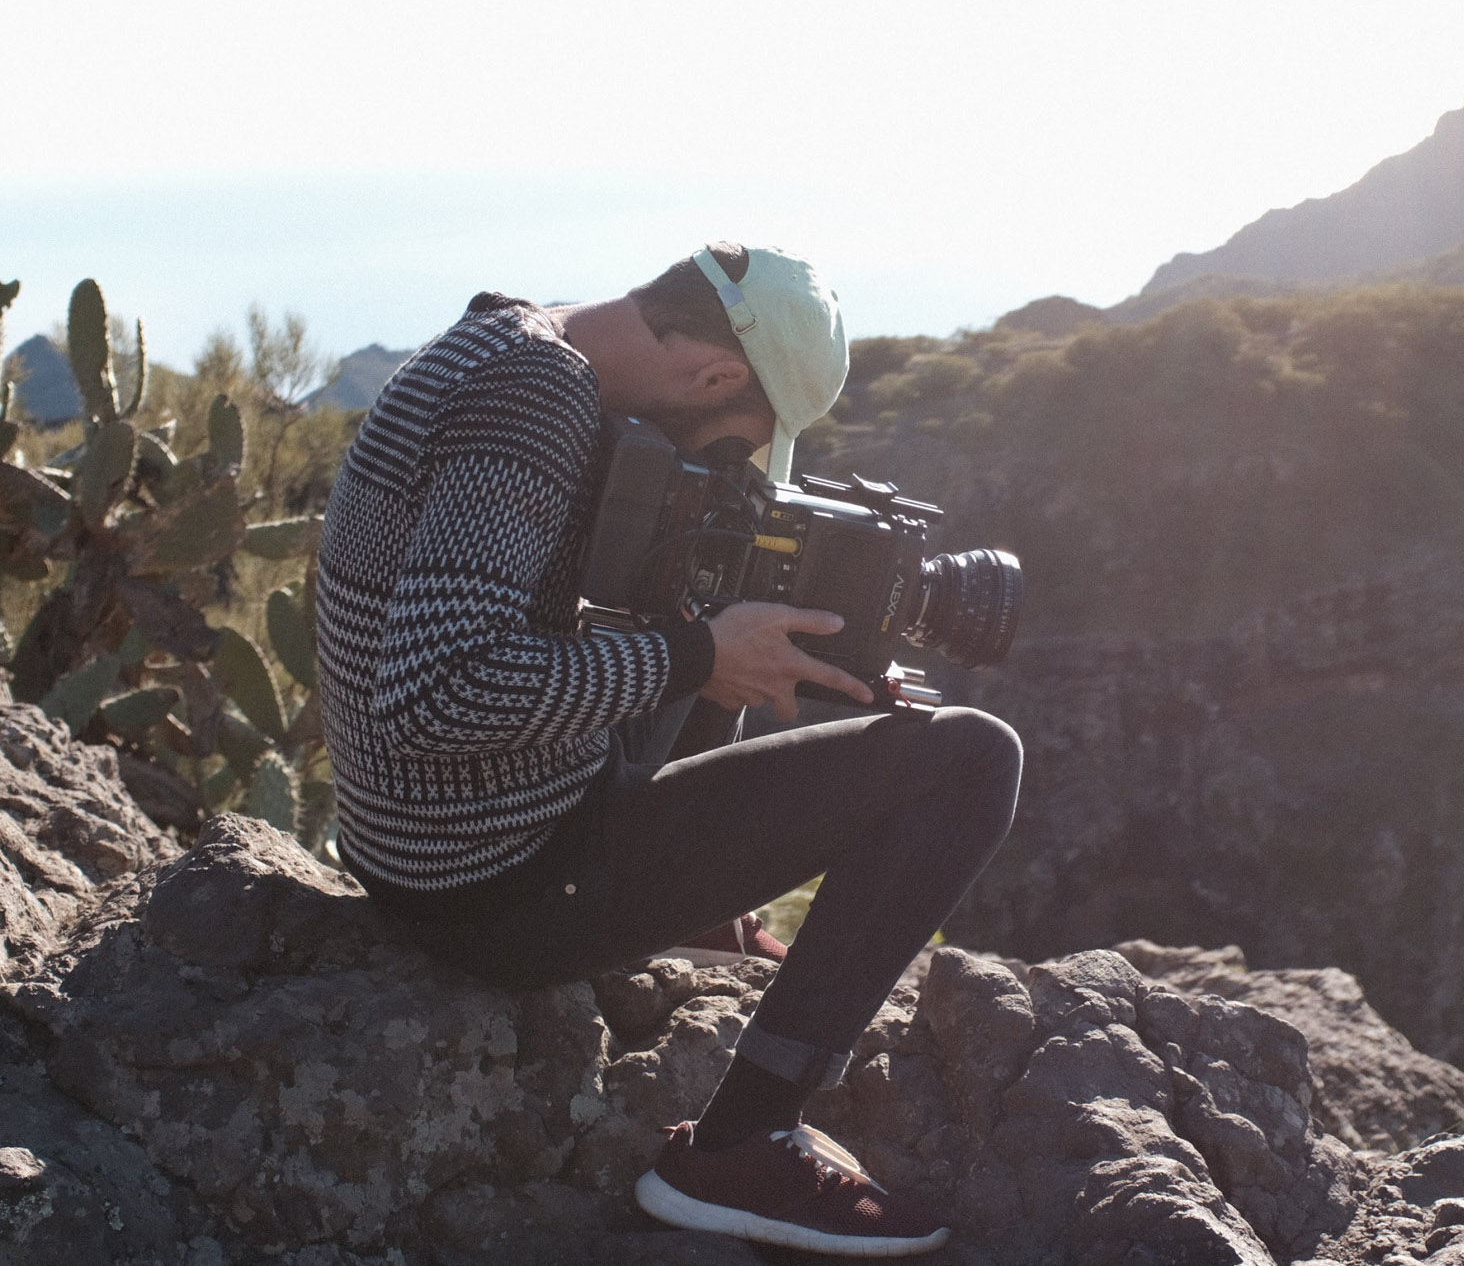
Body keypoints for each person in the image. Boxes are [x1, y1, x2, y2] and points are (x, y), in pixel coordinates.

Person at [313, 242, 1022, 1257]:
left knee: (707, 608)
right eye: (744, 446)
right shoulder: (534, 400)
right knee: (973, 760)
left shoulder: (504, 335)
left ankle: (707, 916)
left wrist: (733, 650)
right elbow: (436, 692)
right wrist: (697, 654)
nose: (732, 470)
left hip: (421, 844)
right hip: (499, 891)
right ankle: (738, 1148)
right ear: (716, 378)